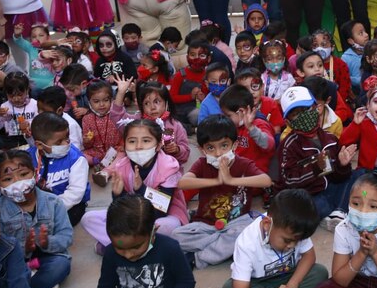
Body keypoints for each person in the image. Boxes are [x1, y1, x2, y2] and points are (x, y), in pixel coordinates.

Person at [221, 188, 328, 288]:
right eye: (287, 240)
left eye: (298, 241)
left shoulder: (296, 228)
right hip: (258, 282)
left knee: (320, 273)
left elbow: (309, 257)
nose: (292, 246)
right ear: (267, 224)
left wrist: (293, 284)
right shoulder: (247, 242)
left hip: (289, 276)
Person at [172, 114, 270, 268]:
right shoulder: (202, 163)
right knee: (175, 236)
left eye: (224, 145)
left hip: (237, 222)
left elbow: (266, 180)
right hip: (206, 223)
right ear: (202, 149)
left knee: (245, 234)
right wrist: (217, 180)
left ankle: (197, 258)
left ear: (235, 145)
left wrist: (231, 180)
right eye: (210, 148)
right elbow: (183, 183)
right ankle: (221, 247)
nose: (218, 153)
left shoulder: (243, 164)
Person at [80, 119, 188, 253]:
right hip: (133, 216)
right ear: (124, 145)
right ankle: (138, 247)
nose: (138, 146)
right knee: (89, 219)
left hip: (163, 215)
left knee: (167, 227)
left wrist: (141, 189)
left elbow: (161, 212)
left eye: (146, 141)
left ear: (159, 145)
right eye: (132, 141)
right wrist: (118, 195)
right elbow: (119, 211)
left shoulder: (168, 166)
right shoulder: (121, 167)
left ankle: (119, 245)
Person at [0, 150, 72, 288]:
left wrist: (47, 242)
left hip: (47, 257)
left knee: (61, 265)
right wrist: (22, 249)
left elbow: (66, 236)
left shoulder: (53, 202)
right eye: (8, 179)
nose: (18, 183)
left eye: (23, 175)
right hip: (13, 261)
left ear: (34, 173)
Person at [277, 86, 357, 224]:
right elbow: (288, 180)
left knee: (357, 176)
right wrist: (316, 168)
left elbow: (339, 177)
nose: (303, 116)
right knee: (317, 207)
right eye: (296, 114)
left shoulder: (330, 139)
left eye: (306, 109)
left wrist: (342, 165)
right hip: (309, 195)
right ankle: (337, 210)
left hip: (330, 187)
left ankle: (338, 212)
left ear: (317, 108)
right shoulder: (289, 145)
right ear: (288, 122)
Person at [28, 112, 90, 226]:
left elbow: (76, 193)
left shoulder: (76, 159)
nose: (66, 143)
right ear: (39, 145)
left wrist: (50, 209)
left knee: (54, 225)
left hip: (70, 206)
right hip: (38, 204)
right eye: (59, 142)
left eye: (67, 137)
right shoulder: (28, 158)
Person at [218, 84, 276, 174]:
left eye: (228, 115)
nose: (225, 118)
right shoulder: (234, 126)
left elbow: (268, 144)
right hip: (237, 172)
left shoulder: (259, 124)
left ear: (241, 111)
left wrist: (251, 128)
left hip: (255, 177)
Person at [0, 72, 38, 149]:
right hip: (11, 142)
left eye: (20, 95)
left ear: (27, 90)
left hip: (31, 140)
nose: (16, 99)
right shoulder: (5, 106)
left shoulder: (35, 105)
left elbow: (40, 126)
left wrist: (29, 125)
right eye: (11, 96)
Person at [169, 39, 211, 126]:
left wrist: (204, 98)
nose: (196, 59)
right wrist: (190, 96)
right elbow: (172, 97)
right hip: (179, 111)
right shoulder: (180, 75)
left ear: (208, 58)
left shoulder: (209, 76)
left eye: (202, 55)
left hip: (197, 109)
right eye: (193, 55)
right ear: (187, 57)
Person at [35, 85, 84, 150]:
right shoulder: (42, 121)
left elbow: (75, 149)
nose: (39, 112)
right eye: (38, 108)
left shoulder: (71, 125)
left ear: (59, 110)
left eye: (44, 110)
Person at [340, 20, 370, 93]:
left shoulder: (371, 52)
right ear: (351, 41)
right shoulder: (345, 58)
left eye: (365, 31)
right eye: (361, 33)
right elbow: (344, 78)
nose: (366, 35)